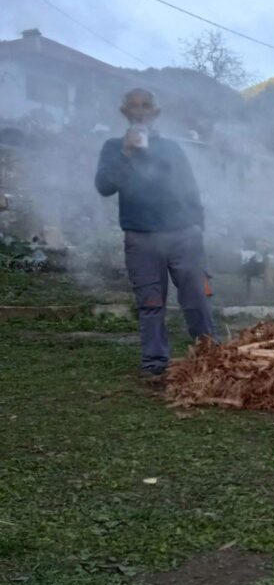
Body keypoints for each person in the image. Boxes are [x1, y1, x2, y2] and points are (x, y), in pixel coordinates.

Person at [94, 88, 215, 378]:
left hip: (182, 233)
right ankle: (155, 363)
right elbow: (104, 187)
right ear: (124, 112)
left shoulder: (172, 148)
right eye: (133, 106)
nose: (140, 111)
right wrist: (126, 152)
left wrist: (198, 226)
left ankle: (211, 356)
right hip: (141, 237)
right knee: (150, 303)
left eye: (146, 106)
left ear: (156, 113)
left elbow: (190, 188)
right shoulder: (113, 147)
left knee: (197, 297)